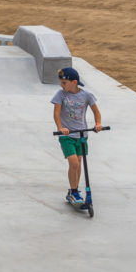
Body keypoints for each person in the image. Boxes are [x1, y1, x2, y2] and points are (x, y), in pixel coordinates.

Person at [52, 66, 102, 207]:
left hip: (81, 135)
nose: (61, 85)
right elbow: (56, 113)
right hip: (66, 136)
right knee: (73, 162)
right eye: (61, 83)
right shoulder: (60, 95)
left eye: (64, 83)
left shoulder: (87, 95)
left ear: (74, 82)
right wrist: (61, 128)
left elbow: (96, 112)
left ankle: (74, 191)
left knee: (79, 164)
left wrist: (98, 124)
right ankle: (74, 191)